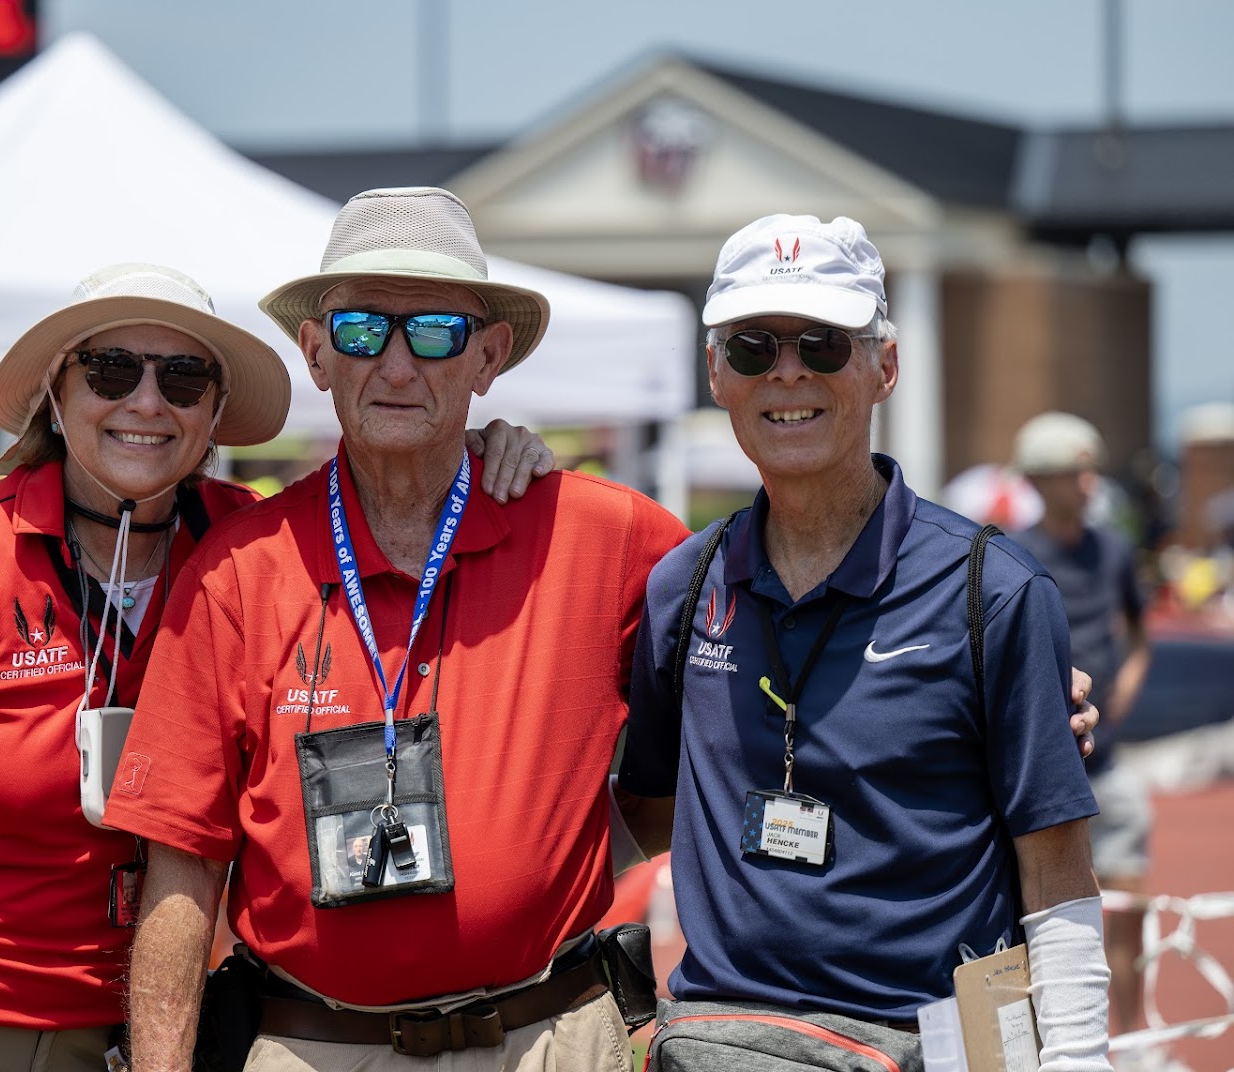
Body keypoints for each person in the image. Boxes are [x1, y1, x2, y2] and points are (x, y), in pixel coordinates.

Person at [0, 261, 551, 1072]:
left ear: (215, 411)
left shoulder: (255, 549)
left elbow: (391, 499)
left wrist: (481, 450)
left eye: (184, 378)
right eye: (112, 370)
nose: (148, 403)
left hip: (128, 1038)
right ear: (57, 393)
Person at [101, 186, 694, 1072]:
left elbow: (710, 764)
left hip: (552, 1038)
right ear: (316, 354)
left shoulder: (610, 538)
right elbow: (181, 866)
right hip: (314, 1045)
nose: (398, 366)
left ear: (489, 356)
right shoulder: (237, 569)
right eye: (362, 331)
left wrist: (555, 861)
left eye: (437, 332)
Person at [616, 214, 1112, 1071]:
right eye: (753, 348)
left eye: (823, 342)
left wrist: (1079, 1059)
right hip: (724, 1045)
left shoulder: (994, 590)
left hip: (930, 1048)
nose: (788, 372)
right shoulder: (682, 587)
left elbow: (1056, 871)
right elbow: (649, 815)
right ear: (717, 374)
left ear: (885, 366)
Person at [1011, 413, 1154, 1053]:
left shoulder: (1115, 549)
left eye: (1090, 470)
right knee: (1041, 920)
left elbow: (1140, 630)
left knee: (1131, 909)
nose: (1089, 482)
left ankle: (1138, 1038)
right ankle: (1043, 1048)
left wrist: (1126, 686)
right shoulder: (1010, 554)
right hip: (1043, 773)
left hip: (1110, 761)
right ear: (1039, 480)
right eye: (1076, 472)